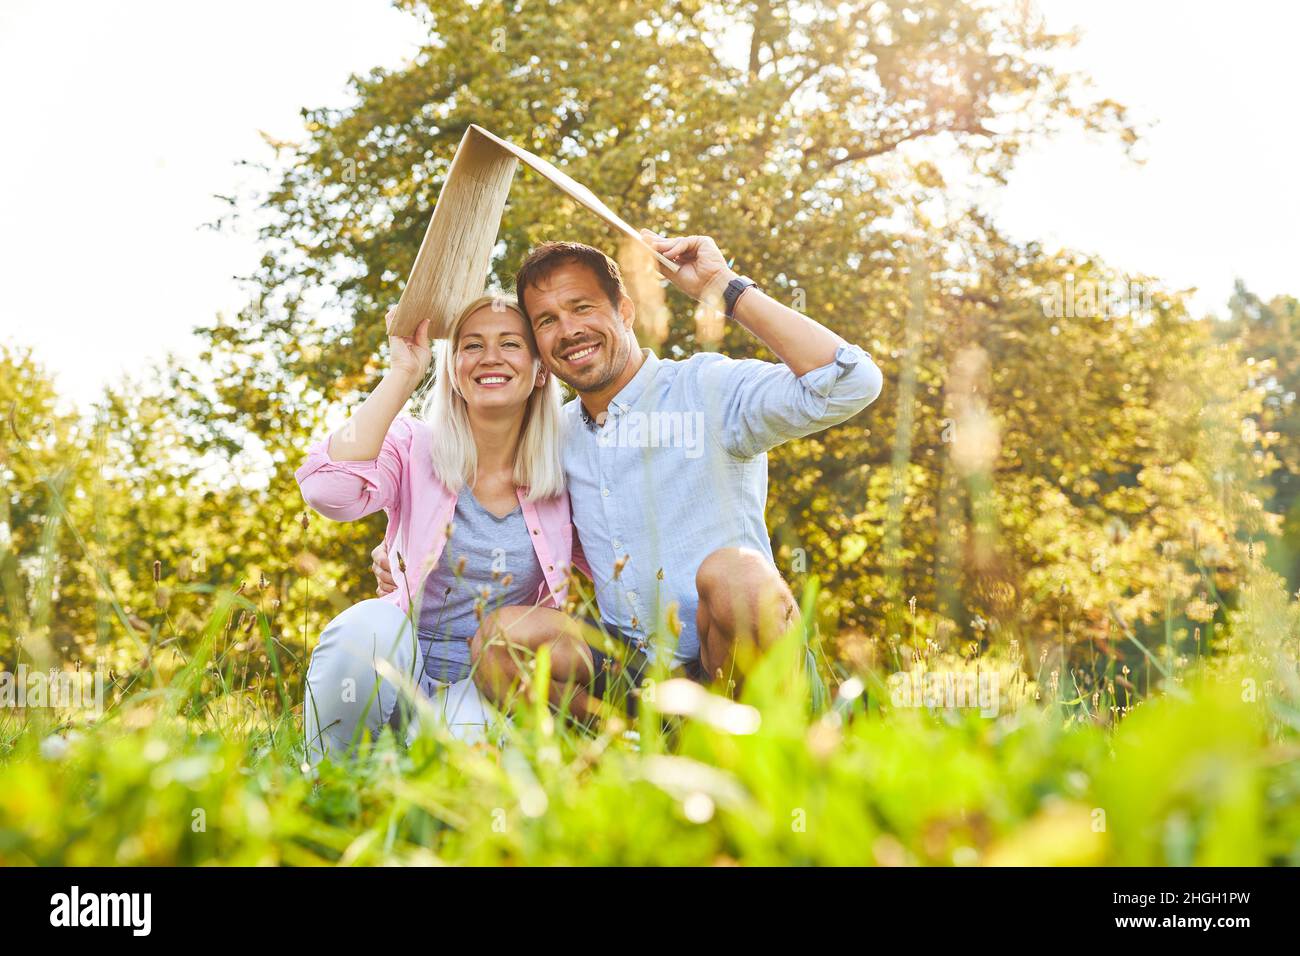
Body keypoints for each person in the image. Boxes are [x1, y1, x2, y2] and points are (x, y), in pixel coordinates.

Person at [373, 231, 884, 720]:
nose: (568, 330)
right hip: (628, 668)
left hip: (732, 657)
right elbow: (494, 509)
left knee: (737, 572)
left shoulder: (706, 387)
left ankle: (756, 751)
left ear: (625, 311)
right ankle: (624, 751)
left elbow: (849, 382)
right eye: (546, 320)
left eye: (582, 307)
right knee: (501, 635)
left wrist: (723, 288)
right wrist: (405, 550)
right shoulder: (554, 436)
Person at [297, 294, 574, 763]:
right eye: (471, 345)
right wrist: (404, 372)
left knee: (465, 760)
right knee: (365, 626)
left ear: (540, 368)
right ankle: (329, 782)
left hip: (485, 684)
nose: (490, 357)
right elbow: (328, 491)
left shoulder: (568, 464)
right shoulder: (414, 444)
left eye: (510, 343)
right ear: (453, 369)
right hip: (399, 667)